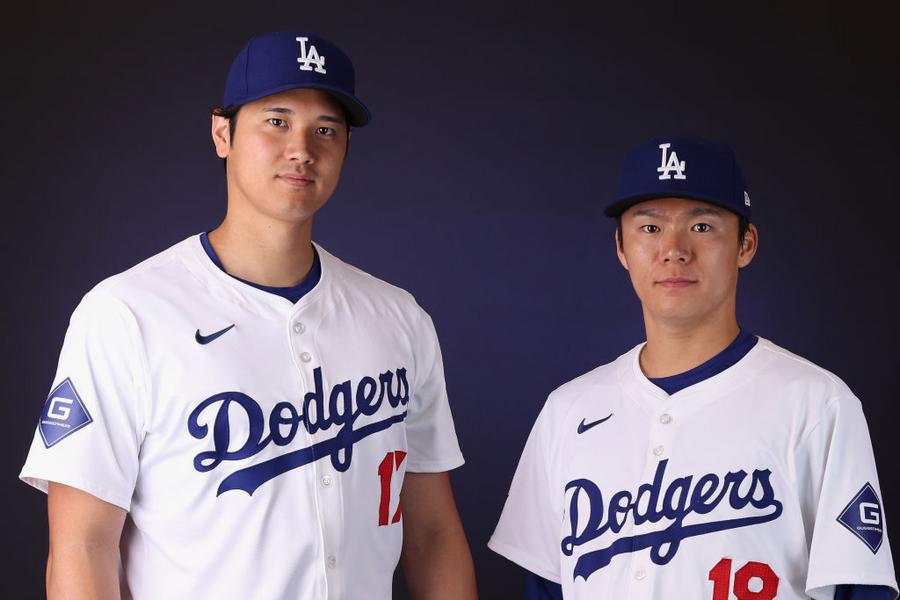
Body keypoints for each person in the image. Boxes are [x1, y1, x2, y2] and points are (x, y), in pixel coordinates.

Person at [20, 31, 477, 600]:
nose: (302, 149)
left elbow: (432, 534)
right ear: (222, 133)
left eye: (326, 130)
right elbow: (82, 547)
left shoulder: (399, 318)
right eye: (276, 121)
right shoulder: (126, 313)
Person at [489, 135, 897, 599]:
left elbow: (859, 590)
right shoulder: (568, 410)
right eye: (650, 228)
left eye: (702, 226)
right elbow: (544, 589)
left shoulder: (818, 404)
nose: (674, 250)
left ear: (746, 245)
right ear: (621, 248)